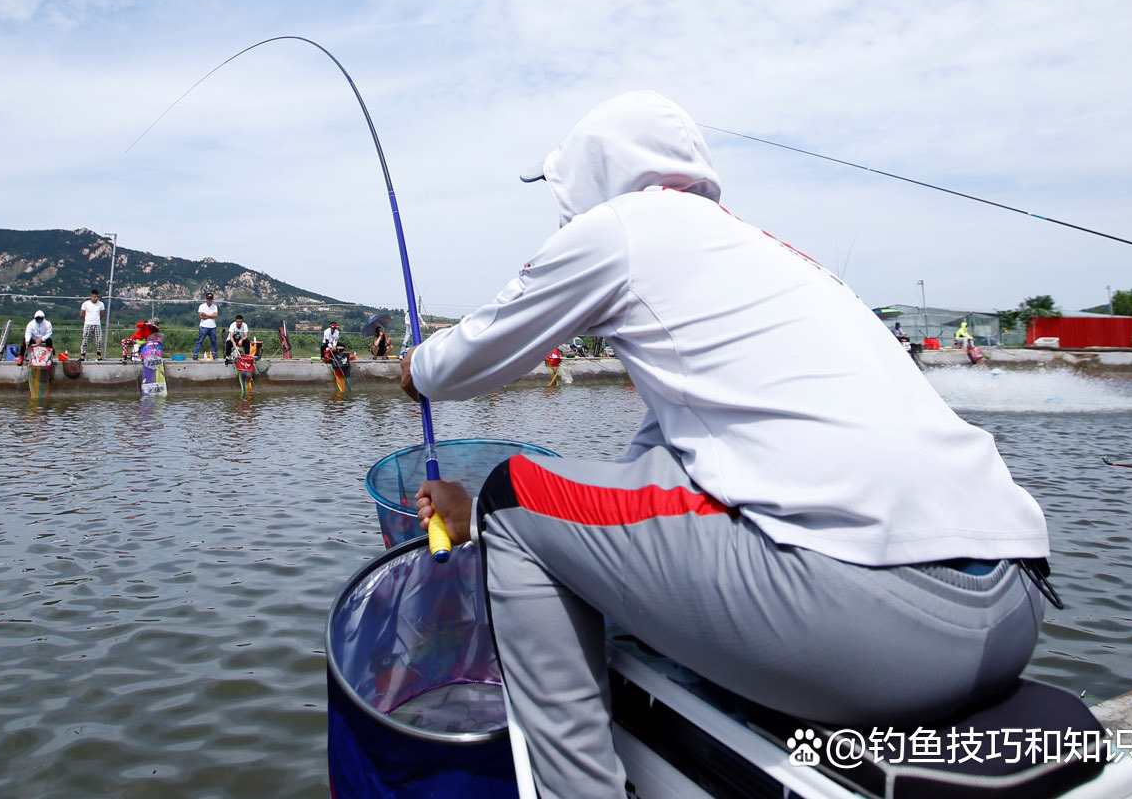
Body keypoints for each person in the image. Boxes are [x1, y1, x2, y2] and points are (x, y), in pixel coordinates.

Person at [402, 91, 1051, 799]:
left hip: (879, 639)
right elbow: (654, 479)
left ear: (593, 175)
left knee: (511, 496)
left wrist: (414, 371)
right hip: (1011, 613)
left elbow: (458, 367)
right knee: (586, 499)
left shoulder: (621, 227)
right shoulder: (769, 257)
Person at [79, 288, 106, 361]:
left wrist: (97, 319)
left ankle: (99, 355)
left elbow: (102, 314)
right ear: (91, 296)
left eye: (97, 297)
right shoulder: (86, 304)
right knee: (85, 340)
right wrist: (87, 319)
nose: (96, 298)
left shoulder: (101, 304)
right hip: (88, 323)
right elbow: (81, 314)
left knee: (98, 340)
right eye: (94, 297)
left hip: (97, 324)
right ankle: (82, 355)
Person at [193, 292, 218, 360]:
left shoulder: (214, 306)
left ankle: (215, 355)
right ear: (206, 299)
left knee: (213, 342)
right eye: (208, 299)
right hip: (204, 326)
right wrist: (211, 316)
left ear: (212, 299)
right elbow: (201, 316)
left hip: (212, 327)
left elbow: (215, 315)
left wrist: (206, 315)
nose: (209, 300)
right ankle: (195, 355)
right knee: (199, 341)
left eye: (211, 299)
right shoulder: (202, 306)